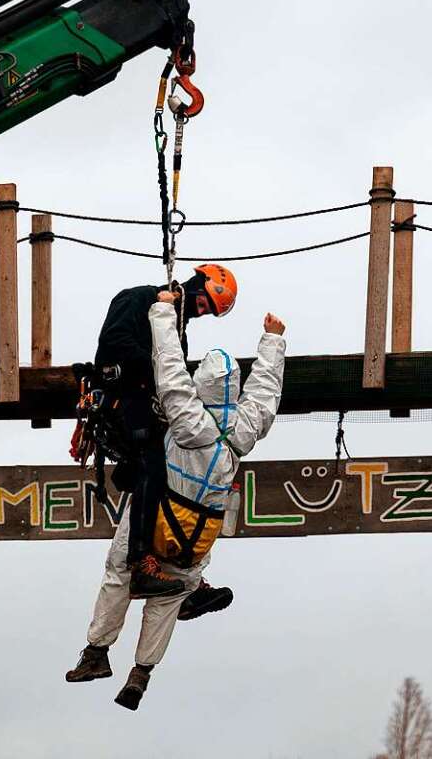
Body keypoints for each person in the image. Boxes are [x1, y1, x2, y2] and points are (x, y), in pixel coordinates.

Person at [67, 294, 287, 710]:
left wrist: (163, 311)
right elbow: (265, 391)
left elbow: (168, 366)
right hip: (197, 535)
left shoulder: (187, 419)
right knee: (169, 595)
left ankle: (96, 652)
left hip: (158, 517)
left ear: (200, 384)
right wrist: (272, 341)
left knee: (120, 572)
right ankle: (141, 674)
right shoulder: (245, 428)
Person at [92, 264, 237, 601]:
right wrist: (157, 364)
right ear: (198, 283)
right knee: (153, 468)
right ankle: (141, 562)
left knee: (179, 475)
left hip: (148, 405)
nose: (201, 312)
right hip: (124, 397)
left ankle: (184, 580)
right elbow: (113, 342)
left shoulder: (178, 330)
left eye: (207, 312)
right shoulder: (138, 299)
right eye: (203, 304)